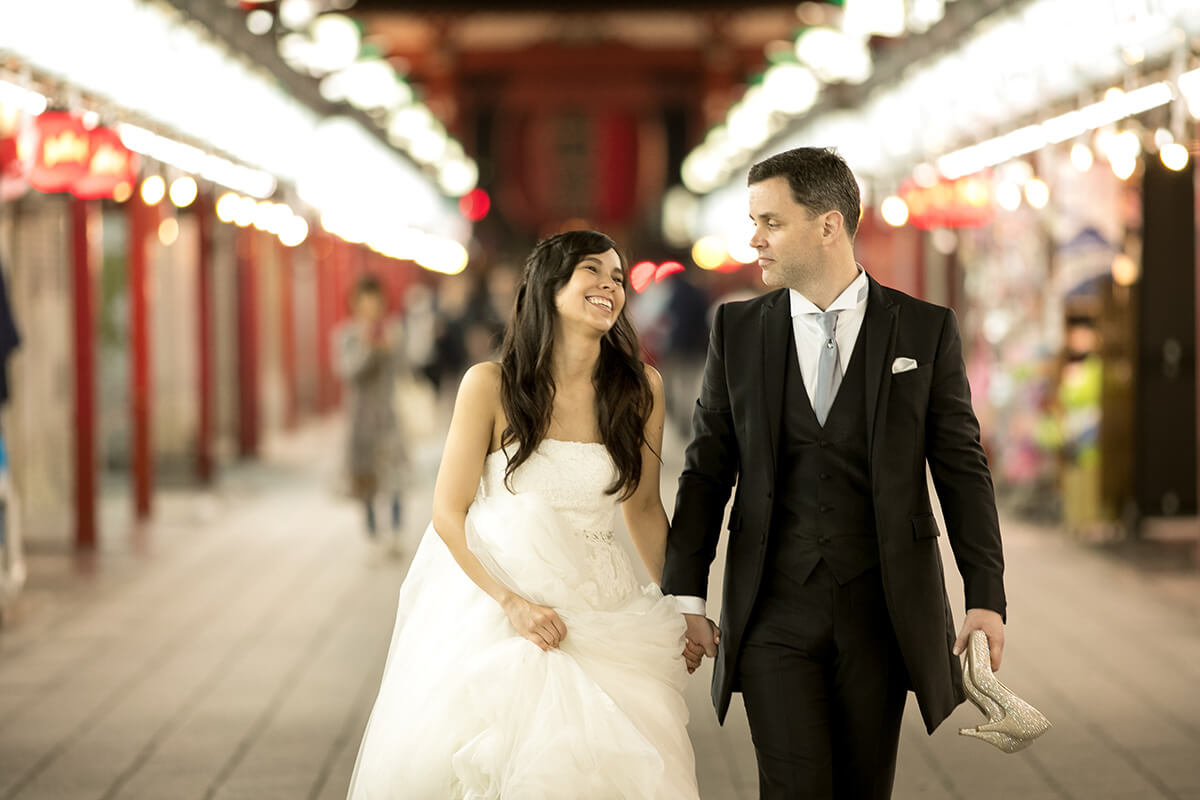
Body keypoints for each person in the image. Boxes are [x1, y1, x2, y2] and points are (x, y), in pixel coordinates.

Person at [664, 147, 1007, 799]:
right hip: (771, 610)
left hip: (882, 610)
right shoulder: (737, 330)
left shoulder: (924, 331)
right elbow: (706, 468)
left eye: (770, 221)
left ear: (828, 225)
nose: (754, 239)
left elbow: (963, 470)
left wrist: (985, 595)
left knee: (863, 787)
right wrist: (686, 596)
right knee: (793, 788)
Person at [347, 230, 700, 799]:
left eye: (617, 276)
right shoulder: (489, 384)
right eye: (592, 270)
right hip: (503, 604)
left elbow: (643, 508)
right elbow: (448, 511)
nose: (609, 284)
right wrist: (511, 603)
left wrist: (683, 602)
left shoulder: (641, 390)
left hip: (603, 606)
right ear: (548, 287)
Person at [333, 275, 407, 540]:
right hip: (360, 420)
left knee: (396, 476)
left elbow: (406, 367)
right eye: (365, 303)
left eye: (375, 303)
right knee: (366, 479)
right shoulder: (346, 335)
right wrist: (368, 347)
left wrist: (392, 347)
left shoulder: (393, 331)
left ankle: (397, 531)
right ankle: (373, 533)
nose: (371, 309)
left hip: (390, 416)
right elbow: (347, 371)